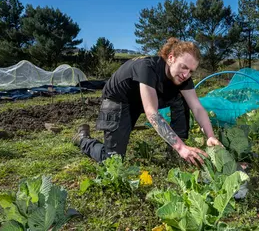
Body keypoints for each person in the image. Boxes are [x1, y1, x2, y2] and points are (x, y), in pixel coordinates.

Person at [73, 37, 222, 167]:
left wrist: (210, 136)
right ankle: (82, 139)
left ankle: (175, 151)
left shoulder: (183, 78)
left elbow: (197, 108)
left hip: (144, 99)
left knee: (183, 97)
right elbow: (152, 113)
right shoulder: (148, 68)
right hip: (119, 99)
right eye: (183, 67)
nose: (186, 74)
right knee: (112, 160)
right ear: (171, 58)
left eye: (191, 71)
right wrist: (181, 148)